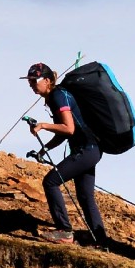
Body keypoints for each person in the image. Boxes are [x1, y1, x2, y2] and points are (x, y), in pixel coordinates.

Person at [24, 63, 109, 246]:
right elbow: (64, 132)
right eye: (29, 81)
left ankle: (64, 231)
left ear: (47, 80)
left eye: (34, 80)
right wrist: (45, 149)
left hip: (86, 150)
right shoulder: (57, 96)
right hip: (91, 149)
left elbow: (68, 129)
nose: (31, 84)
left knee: (51, 181)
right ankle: (100, 240)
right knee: (85, 196)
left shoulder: (58, 96)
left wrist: (43, 125)